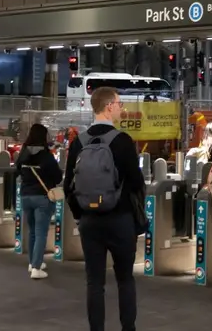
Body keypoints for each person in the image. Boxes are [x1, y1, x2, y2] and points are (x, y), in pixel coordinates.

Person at [63, 87, 146, 331]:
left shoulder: (78, 142)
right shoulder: (123, 141)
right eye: (119, 104)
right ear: (109, 106)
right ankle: (127, 328)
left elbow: (69, 185)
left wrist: (81, 215)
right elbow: (136, 182)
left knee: (94, 282)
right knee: (124, 279)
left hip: (90, 221)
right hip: (120, 219)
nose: (121, 108)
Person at [15, 123, 63, 279]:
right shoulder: (47, 157)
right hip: (42, 197)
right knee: (41, 232)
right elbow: (57, 177)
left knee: (32, 231)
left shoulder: (23, 154)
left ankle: (32, 263)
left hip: (25, 196)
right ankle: (36, 268)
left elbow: (17, 171)